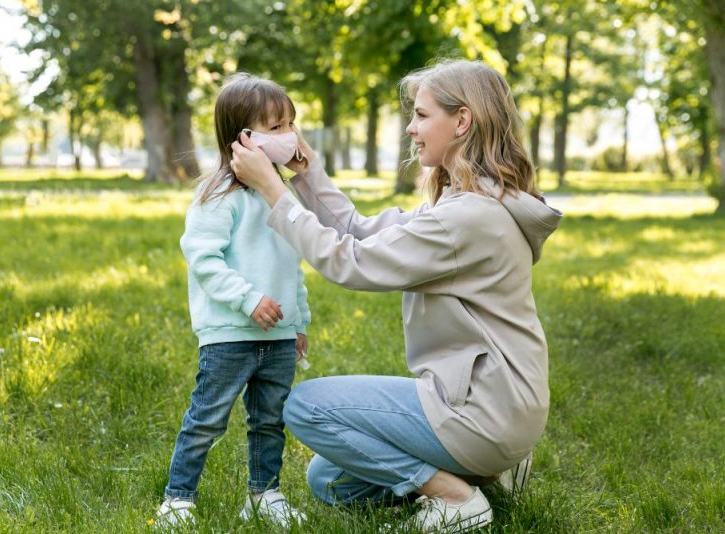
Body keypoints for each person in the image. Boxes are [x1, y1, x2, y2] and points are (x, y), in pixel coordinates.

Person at [229, 59, 563, 532]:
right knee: (330, 481)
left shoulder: (463, 219)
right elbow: (361, 232)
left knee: (306, 407)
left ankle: (457, 499)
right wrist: (304, 175)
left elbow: (351, 262)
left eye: (423, 115)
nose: (411, 128)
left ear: (462, 121)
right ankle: (489, 471)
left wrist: (272, 191)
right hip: (500, 408)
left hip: (481, 410)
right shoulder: (469, 204)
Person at [156, 73, 311, 529]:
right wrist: (247, 299)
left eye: (291, 125)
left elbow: (292, 264)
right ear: (245, 138)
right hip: (230, 334)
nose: (291, 136)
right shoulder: (219, 197)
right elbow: (202, 260)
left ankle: (265, 494)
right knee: (207, 419)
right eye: (278, 127)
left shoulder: (283, 197)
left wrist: (298, 321)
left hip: (278, 335)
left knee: (270, 421)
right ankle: (178, 498)